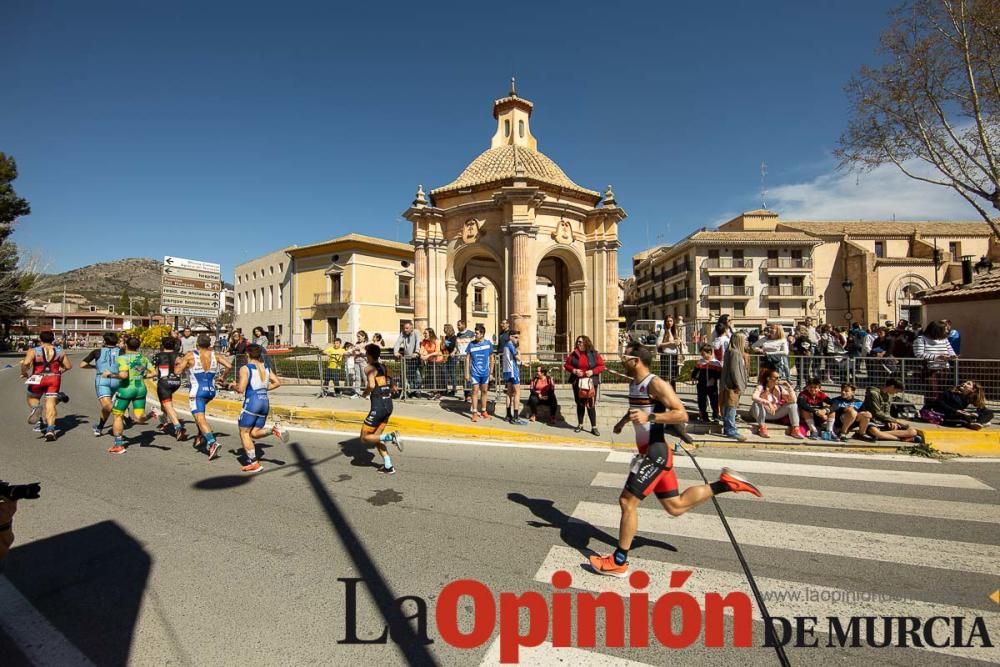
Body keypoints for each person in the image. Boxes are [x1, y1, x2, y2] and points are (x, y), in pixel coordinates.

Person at [588, 341, 763, 577]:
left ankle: (619, 561)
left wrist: (650, 417)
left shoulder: (656, 383)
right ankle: (725, 483)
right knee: (675, 506)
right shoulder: (635, 384)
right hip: (649, 454)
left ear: (636, 361)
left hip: (655, 453)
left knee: (627, 502)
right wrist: (622, 423)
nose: (621, 360)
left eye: (625, 357)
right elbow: (636, 410)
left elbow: (681, 413)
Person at [229, 343, 289, 473]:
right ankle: (273, 430)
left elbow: (241, 389)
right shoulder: (266, 366)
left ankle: (254, 463)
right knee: (254, 433)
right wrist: (263, 388)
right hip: (264, 401)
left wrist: (232, 385)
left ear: (247, 354)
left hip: (252, 403)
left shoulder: (245, 368)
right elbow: (277, 382)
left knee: (244, 432)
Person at [175, 333, 232, 460]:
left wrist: (181, 364)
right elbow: (229, 366)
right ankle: (200, 436)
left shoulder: (191, 355)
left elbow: (177, 371)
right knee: (199, 415)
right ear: (210, 344)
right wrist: (222, 377)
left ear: (197, 344)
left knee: (200, 418)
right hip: (211, 391)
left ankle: (212, 443)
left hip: (197, 391)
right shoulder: (215, 355)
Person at [107, 336, 158, 454]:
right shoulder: (143, 358)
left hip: (126, 390)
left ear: (125, 345)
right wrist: (142, 376)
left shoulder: (122, 358)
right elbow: (154, 373)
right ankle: (152, 413)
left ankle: (118, 445)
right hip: (140, 389)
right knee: (139, 417)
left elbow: (124, 375)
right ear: (138, 346)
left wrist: (110, 375)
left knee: (117, 415)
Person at [359, 343, 403, 474]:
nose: (366, 356)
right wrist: (391, 387)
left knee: (365, 437)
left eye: (366, 354)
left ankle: (391, 437)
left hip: (378, 406)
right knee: (377, 437)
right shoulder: (385, 367)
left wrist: (365, 393)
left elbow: (371, 385)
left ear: (370, 355)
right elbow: (393, 384)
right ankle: (388, 465)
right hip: (388, 405)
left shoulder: (368, 368)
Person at [21, 330, 72, 440]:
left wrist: (24, 373)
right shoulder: (60, 351)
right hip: (54, 378)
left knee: (32, 397)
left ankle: (36, 408)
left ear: (40, 339)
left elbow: (25, 363)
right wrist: (59, 372)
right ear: (53, 339)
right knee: (51, 404)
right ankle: (50, 430)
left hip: (38, 377)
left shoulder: (33, 350)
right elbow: (68, 366)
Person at [80, 331, 121, 437]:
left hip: (102, 379)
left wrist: (94, 367)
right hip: (117, 379)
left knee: (107, 405)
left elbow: (82, 364)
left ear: (104, 340)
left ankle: (120, 409)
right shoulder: (122, 352)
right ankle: (99, 427)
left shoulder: (97, 352)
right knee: (106, 406)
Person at [565, 335, 606, 436]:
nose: (578, 343)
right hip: (577, 382)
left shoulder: (594, 354)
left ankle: (594, 427)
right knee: (580, 404)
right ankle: (580, 424)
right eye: (578, 342)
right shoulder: (574, 354)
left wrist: (592, 371)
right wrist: (574, 370)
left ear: (586, 343)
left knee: (590, 404)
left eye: (581, 342)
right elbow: (567, 365)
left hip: (590, 382)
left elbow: (601, 366)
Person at [858, 378, 921, 443]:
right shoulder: (873, 394)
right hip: (872, 420)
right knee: (874, 431)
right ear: (892, 387)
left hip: (883, 421)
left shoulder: (889, 396)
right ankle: (900, 439)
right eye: (896, 391)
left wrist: (891, 421)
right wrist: (896, 420)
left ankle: (884, 435)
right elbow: (877, 412)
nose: (896, 393)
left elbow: (887, 412)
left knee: (912, 431)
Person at [750, 368, 804, 439]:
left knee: (793, 405)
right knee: (756, 403)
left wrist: (789, 387)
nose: (779, 379)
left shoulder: (780, 388)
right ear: (768, 379)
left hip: (775, 413)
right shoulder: (761, 387)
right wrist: (767, 403)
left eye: (780, 377)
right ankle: (762, 427)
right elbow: (754, 397)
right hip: (762, 413)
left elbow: (793, 400)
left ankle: (795, 429)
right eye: (776, 378)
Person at [152, 336, 187, 440]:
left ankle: (178, 426)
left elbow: (152, 370)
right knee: (164, 402)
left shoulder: (158, 355)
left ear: (162, 345)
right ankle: (165, 423)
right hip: (176, 381)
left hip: (164, 382)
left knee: (167, 404)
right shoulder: (180, 355)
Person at [718, 333, 749, 441]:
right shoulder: (735, 353)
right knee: (731, 408)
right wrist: (739, 384)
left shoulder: (730, 351)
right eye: (744, 340)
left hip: (729, 384)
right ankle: (731, 430)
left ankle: (728, 429)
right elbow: (735, 371)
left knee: (729, 407)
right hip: (732, 385)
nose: (746, 342)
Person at [927, 380, 993, 430]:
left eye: (968, 384)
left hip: (965, 415)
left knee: (989, 412)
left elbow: (982, 408)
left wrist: (977, 413)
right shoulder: (951, 392)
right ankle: (974, 424)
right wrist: (956, 411)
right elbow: (940, 403)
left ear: (973, 389)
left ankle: (978, 423)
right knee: (962, 419)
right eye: (965, 382)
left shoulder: (971, 398)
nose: (964, 383)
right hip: (947, 415)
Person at [914, 319, 957, 395]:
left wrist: (952, 356)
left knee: (944, 393)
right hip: (930, 370)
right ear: (937, 330)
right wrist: (937, 357)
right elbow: (919, 354)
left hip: (944, 369)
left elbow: (950, 350)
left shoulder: (944, 339)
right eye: (944, 330)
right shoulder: (921, 339)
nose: (947, 331)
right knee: (932, 394)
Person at [465, 324, 494, 422]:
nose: (475, 335)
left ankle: (484, 411)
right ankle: (474, 412)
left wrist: (491, 373)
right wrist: (467, 373)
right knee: (475, 391)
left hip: (485, 372)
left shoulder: (488, 344)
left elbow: (492, 358)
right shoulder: (471, 344)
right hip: (475, 373)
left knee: (485, 391)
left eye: (477, 333)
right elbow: (467, 358)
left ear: (482, 334)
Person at [692, 343, 722, 423]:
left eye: (703, 354)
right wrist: (694, 377)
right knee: (701, 400)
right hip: (701, 384)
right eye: (701, 354)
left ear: (709, 352)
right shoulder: (700, 362)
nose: (702, 356)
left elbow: (719, 374)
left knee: (714, 400)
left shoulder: (716, 363)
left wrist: (714, 378)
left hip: (712, 385)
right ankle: (704, 416)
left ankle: (715, 416)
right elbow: (695, 372)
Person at [501, 330, 525, 424]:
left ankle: (508, 415)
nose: (517, 339)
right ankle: (515, 417)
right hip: (513, 371)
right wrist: (523, 361)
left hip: (507, 371)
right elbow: (517, 357)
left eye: (518, 337)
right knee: (517, 393)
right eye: (515, 337)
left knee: (509, 393)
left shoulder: (506, 345)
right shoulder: (510, 345)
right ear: (510, 336)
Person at [393, 322, 421, 397]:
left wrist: (416, 352)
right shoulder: (403, 333)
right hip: (407, 357)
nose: (405, 330)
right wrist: (396, 352)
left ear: (411, 328)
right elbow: (398, 343)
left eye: (407, 328)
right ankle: (412, 390)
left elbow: (418, 342)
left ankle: (417, 390)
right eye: (404, 328)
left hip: (415, 357)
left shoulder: (416, 332)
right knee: (409, 374)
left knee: (417, 374)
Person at [656, 315, 681, 388]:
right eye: (668, 321)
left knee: (673, 375)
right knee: (665, 375)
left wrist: (678, 342)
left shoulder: (675, 331)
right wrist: (670, 343)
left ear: (673, 322)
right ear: (665, 322)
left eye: (671, 321)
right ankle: (663, 392)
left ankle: (673, 393)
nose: (669, 323)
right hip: (666, 355)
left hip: (674, 355)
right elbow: (658, 344)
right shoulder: (663, 331)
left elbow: (677, 341)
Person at [419, 328, 444, 398]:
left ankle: (438, 392)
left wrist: (427, 355)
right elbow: (422, 349)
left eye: (425, 333)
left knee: (437, 376)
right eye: (424, 333)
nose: (424, 335)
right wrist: (422, 355)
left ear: (430, 334)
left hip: (438, 360)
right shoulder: (424, 341)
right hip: (430, 361)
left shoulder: (437, 340)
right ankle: (433, 391)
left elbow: (437, 351)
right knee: (431, 376)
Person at [454, 320, 475, 402]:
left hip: (469, 359)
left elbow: (474, 345)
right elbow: (457, 346)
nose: (458, 327)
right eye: (457, 325)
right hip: (461, 359)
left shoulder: (471, 334)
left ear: (464, 325)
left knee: (469, 377)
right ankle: (466, 394)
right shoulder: (458, 335)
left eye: (459, 325)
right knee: (464, 377)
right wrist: (454, 352)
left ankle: (470, 394)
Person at [441, 323, 458, 397]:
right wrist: (443, 342)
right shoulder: (445, 338)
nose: (444, 330)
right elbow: (442, 347)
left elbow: (452, 346)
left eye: (445, 329)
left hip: (452, 357)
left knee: (452, 373)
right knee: (444, 372)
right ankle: (445, 388)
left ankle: (454, 389)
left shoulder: (454, 338)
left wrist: (445, 342)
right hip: (445, 357)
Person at [351, 331, 370, 399]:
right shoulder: (356, 343)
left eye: (359, 336)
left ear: (363, 336)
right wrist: (354, 351)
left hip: (363, 362)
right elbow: (353, 352)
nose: (358, 338)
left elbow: (367, 353)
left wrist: (359, 350)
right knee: (357, 378)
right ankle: (357, 393)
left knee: (365, 378)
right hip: (356, 362)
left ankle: (368, 393)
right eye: (357, 336)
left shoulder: (367, 344)